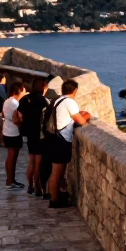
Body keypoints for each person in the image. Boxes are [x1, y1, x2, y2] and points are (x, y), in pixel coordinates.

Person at [46, 79, 91, 208]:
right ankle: (54, 201)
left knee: (58, 172)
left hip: (55, 138)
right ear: (75, 90)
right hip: (60, 141)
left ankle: (58, 196)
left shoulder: (58, 100)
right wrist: (86, 116)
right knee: (56, 172)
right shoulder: (69, 102)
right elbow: (81, 121)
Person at [18, 77, 50, 196]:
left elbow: (19, 116)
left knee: (31, 160)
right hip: (40, 135)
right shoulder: (43, 101)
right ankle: (37, 187)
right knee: (38, 162)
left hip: (29, 134)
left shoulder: (25, 99)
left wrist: (25, 124)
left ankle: (30, 185)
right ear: (42, 87)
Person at [2, 80, 27, 189]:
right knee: (12, 157)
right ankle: (10, 181)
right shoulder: (14, 103)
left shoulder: (8, 101)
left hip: (7, 130)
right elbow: (18, 118)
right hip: (13, 132)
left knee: (11, 156)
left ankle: (11, 180)